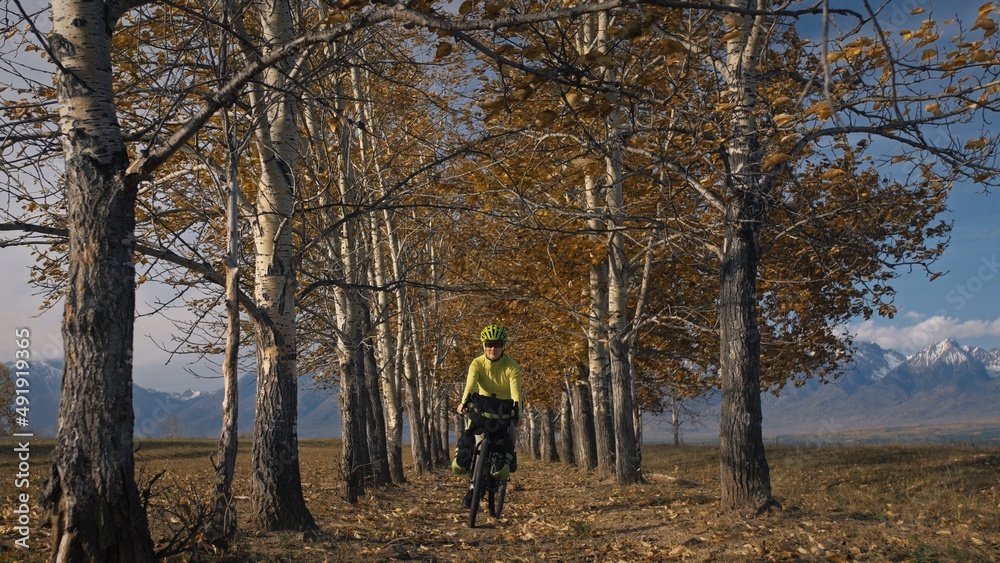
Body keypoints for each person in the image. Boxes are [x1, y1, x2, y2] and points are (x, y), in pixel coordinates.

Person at [452, 324, 522, 508]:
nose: (493, 348)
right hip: (483, 410)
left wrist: (518, 414)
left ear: (503, 346)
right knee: (475, 442)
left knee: (510, 437)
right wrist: (463, 403)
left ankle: (507, 462)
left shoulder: (511, 366)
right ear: (484, 345)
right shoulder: (477, 363)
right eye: (489, 344)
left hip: (503, 411)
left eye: (497, 344)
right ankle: (473, 488)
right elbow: (470, 386)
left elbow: (516, 393)